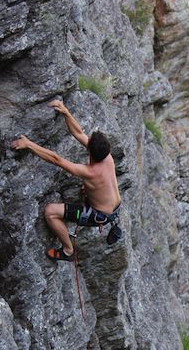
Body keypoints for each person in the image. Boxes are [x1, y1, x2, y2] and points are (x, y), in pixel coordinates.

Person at [10, 100, 122, 260]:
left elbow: (56, 159)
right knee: (87, 187)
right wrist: (65, 112)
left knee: (50, 212)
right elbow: (78, 133)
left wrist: (29, 145)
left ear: (90, 151)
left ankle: (68, 250)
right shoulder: (107, 156)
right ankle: (93, 196)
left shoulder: (89, 172)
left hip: (99, 215)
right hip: (114, 207)